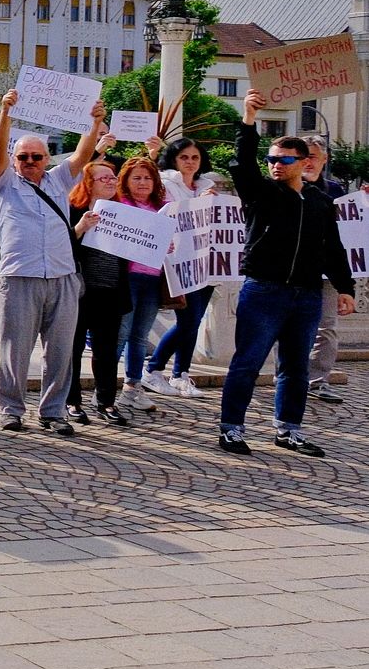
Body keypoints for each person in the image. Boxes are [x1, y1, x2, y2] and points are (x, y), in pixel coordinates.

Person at [218, 92, 355, 457]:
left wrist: (345, 287)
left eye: (284, 159)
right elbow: (244, 165)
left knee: (295, 367)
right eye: (272, 159)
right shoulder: (262, 193)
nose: (276, 165)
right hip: (264, 290)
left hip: (307, 294)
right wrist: (248, 118)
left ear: (303, 162)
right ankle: (231, 428)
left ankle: (288, 429)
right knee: (247, 362)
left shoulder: (320, 201)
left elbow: (333, 248)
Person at [0, 88, 105, 436]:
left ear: (47, 158)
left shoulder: (58, 180)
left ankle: (53, 411)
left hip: (62, 276)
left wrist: (95, 122)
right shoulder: (5, 182)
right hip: (19, 275)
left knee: (60, 351)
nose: (29, 163)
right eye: (23, 157)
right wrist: (5, 114)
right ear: (15, 160)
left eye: (36, 157)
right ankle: (11, 409)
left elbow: (84, 154)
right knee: (15, 349)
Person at [142, 138, 216, 398]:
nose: (190, 162)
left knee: (194, 322)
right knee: (188, 320)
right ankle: (153, 369)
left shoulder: (208, 186)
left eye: (195, 158)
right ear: (174, 159)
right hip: (178, 261)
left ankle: (180, 374)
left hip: (205, 262)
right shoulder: (165, 184)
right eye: (184, 157)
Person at [65, 160, 132, 427]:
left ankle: (106, 401)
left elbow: (139, 246)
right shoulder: (72, 211)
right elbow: (61, 246)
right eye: (103, 178)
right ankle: (71, 401)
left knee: (107, 350)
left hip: (111, 292)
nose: (111, 181)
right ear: (88, 183)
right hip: (81, 292)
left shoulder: (124, 214)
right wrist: (81, 228)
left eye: (113, 177)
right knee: (73, 348)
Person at [110, 155, 167, 416]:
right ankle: (106, 388)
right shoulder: (118, 204)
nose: (143, 183)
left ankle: (132, 387)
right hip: (128, 278)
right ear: (126, 181)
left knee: (140, 336)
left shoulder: (164, 207)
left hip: (154, 279)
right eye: (137, 178)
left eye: (148, 178)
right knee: (121, 332)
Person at [302, 137, 349, 405]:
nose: (308, 161)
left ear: (324, 159)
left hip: (327, 272)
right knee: (289, 326)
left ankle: (318, 381)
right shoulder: (285, 188)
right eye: (303, 155)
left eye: (313, 155)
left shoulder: (336, 191)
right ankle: (284, 375)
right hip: (295, 271)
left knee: (327, 327)